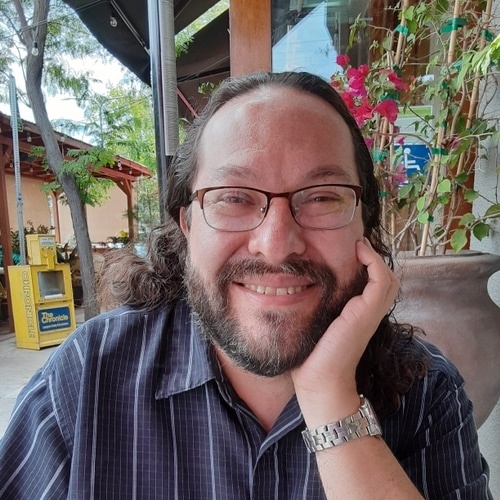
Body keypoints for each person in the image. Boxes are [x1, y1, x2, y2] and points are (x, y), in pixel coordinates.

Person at [0, 71, 492, 499]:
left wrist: (330, 399)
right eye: (233, 197)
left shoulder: (427, 392)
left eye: (322, 197)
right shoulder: (89, 376)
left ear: (365, 223)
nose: (276, 246)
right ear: (187, 225)